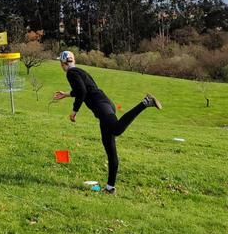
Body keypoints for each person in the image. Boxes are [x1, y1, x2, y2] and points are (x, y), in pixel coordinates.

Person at [52, 50, 161, 194]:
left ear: (63, 63)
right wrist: (67, 94)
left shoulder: (71, 73)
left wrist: (74, 111)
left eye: (61, 62)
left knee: (116, 130)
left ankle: (146, 102)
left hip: (101, 105)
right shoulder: (79, 71)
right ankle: (110, 188)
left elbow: (82, 92)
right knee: (110, 148)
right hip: (105, 103)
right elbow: (83, 89)